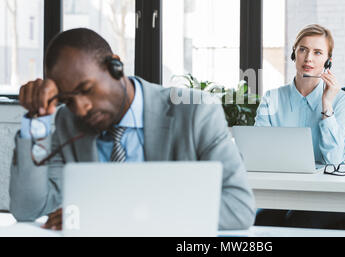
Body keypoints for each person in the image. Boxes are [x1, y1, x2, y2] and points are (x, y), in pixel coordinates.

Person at [9, 28, 255, 231]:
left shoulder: (195, 112)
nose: (81, 108)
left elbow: (238, 208)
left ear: (115, 67)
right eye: (68, 99)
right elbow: (28, 209)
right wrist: (36, 123)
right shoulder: (68, 121)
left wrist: (112, 213)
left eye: (86, 89)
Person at [254, 24, 345, 229]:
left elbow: (335, 158)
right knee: (261, 221)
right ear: (293, 53)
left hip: (325, 192)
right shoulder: (272, 98)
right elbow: (260, 153)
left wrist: (327, 106)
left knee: (299, 222)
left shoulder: (341, 100)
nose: (309, 58)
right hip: (283, 189)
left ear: (328, 60)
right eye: (303, 49)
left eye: (318, 52)